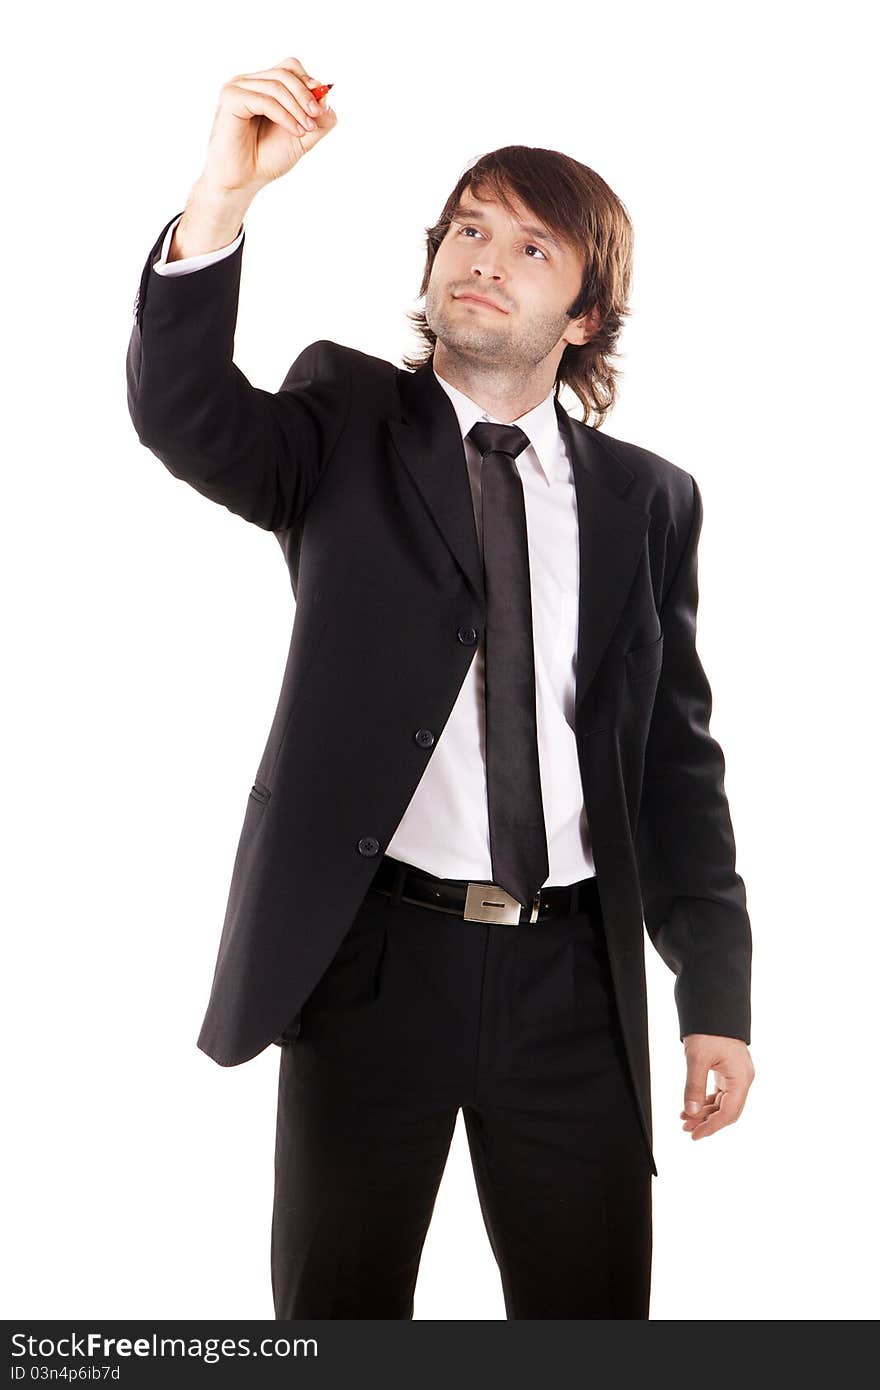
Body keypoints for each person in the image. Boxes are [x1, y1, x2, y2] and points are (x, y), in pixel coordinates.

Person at [126, 54, 755, 1319]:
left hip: (573, 978)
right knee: (335, 1321)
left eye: (529, 247)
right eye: (467, 226)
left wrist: (716, 993)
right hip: (370, 965)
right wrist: (221, 199)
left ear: (584, 315)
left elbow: (673, 762)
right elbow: (185, 413)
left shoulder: (650, 501)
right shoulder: (344, 417)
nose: (483, 254)